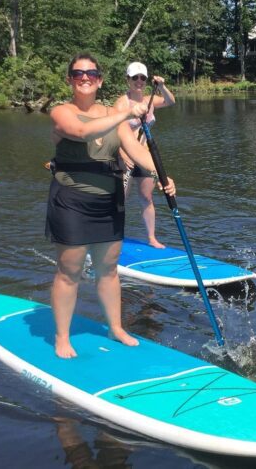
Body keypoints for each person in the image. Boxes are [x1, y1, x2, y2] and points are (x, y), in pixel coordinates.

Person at [47, 53, 176, 359]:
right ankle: (62, 336)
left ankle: (116, 328)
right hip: (72, 198)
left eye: (91, 73)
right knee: (70, 270)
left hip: (108, 199)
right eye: (78, 74)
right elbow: (82, 132)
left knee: (108, 269)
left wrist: (162, 173)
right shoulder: (61, 111)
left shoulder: (111, 115)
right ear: (70, 80)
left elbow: (133, 149)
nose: (85, 77)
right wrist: (125, 113)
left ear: (100, 79)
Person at [113, 61, 176, 248]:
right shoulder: (121, 103)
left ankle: (152, 238)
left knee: (146, 198)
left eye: (142, 78)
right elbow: (112, 130)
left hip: (145, 158)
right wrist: (122, 154)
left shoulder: (150, 101)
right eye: (135, 78)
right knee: (119, 200)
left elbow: (171, 101)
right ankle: (112, 236)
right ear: (128, 80)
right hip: (124, 157)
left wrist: (162, 87)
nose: (139, 81)